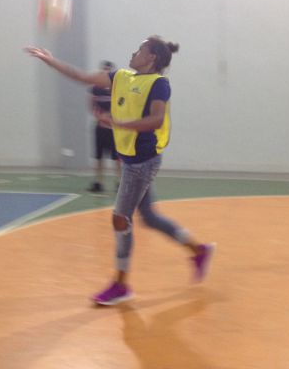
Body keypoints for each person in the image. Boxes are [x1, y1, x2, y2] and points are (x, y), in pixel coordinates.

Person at [25, 36, 215, 306]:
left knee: (120, 219)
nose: (134, 53)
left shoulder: (158, 84)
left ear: (151, 58)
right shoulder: (121, 77)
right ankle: (199, 250)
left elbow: (156, 119)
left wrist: (119, 123)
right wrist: (51, 61)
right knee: (149, 218)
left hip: (142, 161)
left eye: (140, 50)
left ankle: (121, 284)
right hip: (131, 160)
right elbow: (82, 76)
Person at [88, 60, 121, 193]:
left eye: (109, 70)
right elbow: (92, 106)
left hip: (115, 129)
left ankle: (119, 183)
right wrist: (101, 117)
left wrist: (112, 119)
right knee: (99, 156)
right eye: (104, 70)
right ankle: (98, 183)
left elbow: (122, 106)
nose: (106, 72)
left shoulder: (118, 88)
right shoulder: (95, 88)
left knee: (117, 157)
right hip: (100, 127)